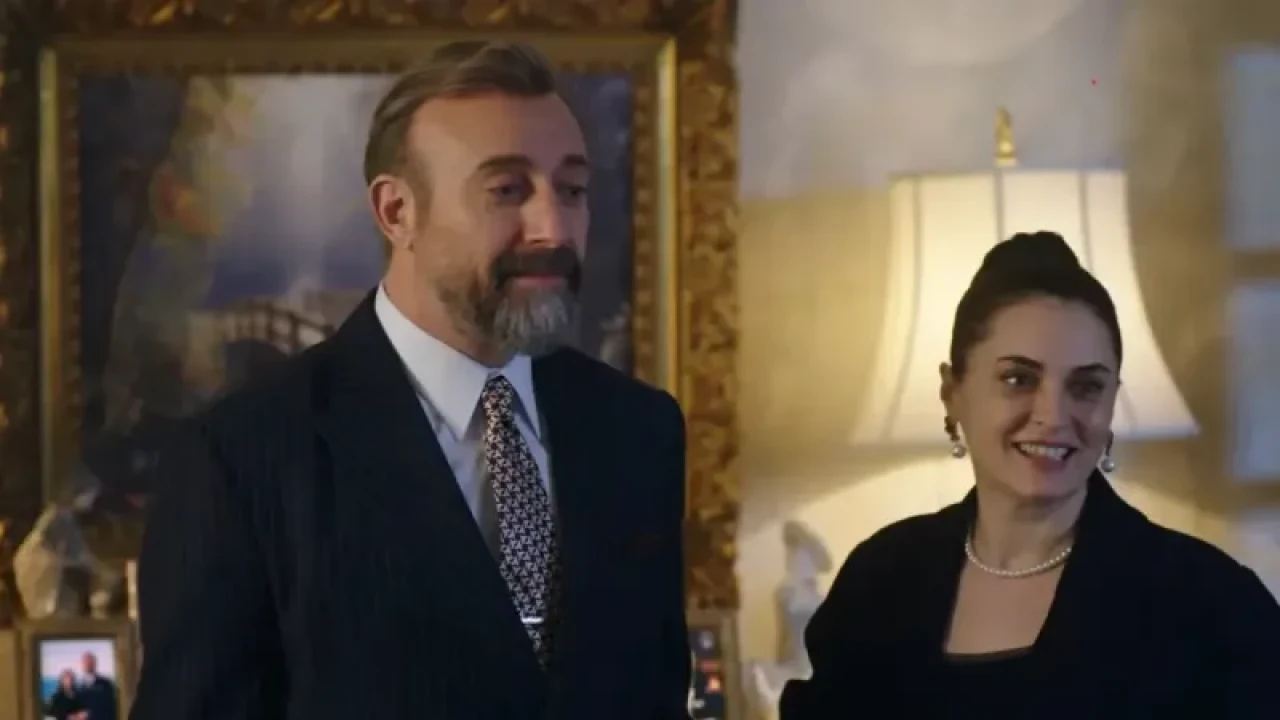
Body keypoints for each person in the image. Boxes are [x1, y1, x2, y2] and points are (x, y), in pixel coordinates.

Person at [129, 41, 691, 719]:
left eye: (571, 189)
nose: (554, 227)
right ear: (397, 212)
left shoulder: (639, 431)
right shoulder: (241, 460)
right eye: (507, 190)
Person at [780, 232, 1280, 718]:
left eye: (1086, 386)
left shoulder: (1210, 604)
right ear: (952, 393)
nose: (1053, 416)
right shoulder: (880, 581)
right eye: (1018, 379)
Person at [77, 653, 118, 720]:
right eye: (85, 662)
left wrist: (90, 713)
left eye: (90, 662)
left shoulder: (105, 684)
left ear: (95, 664)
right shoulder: (80, 687)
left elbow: (111, 707)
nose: (88, 665)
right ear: (82, 665)